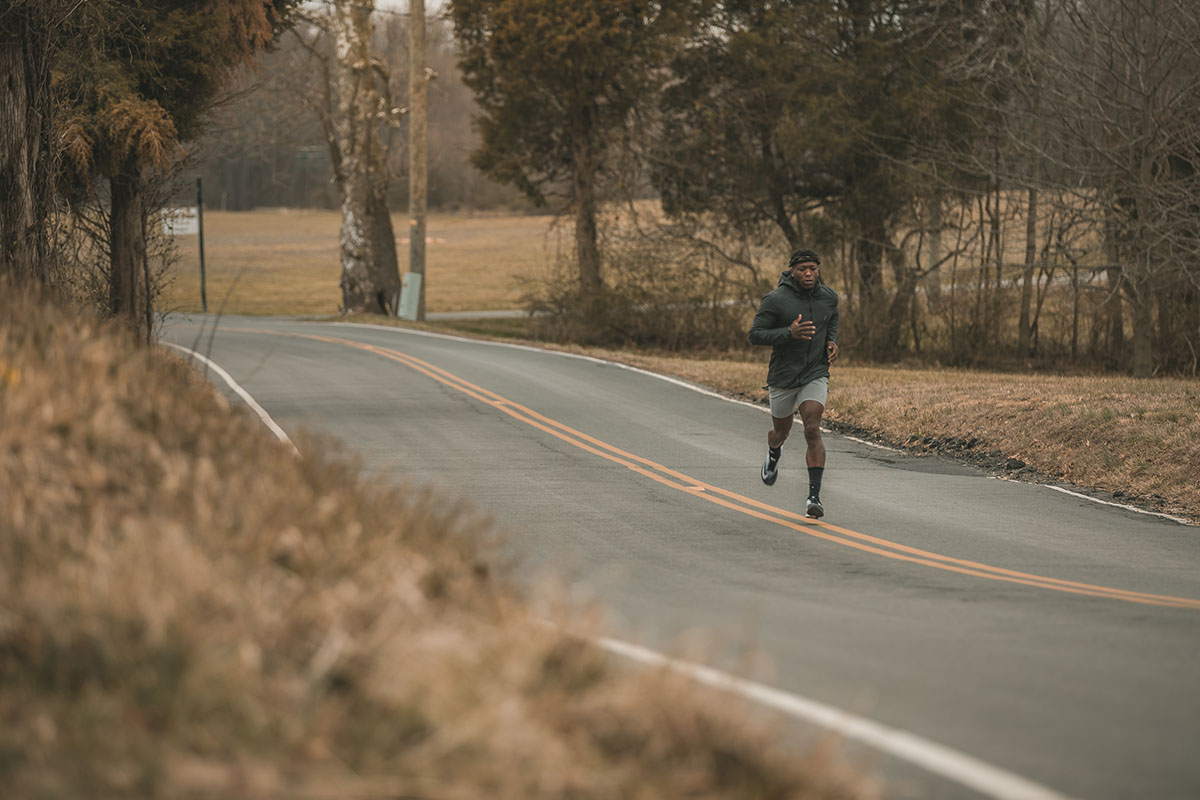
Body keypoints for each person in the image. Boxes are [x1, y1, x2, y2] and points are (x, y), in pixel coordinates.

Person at [748, 248, 839, 518]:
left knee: (812, 427)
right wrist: (789, 332)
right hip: (784, 376)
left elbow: (831, 317)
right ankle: (774, 451)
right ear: (792, 271)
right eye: (802, 269)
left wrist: (832, 341)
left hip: (815, 372)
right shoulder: (776, 300)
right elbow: (755, 335)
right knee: (781, 432)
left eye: (813, 268)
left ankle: (814, 497)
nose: (808, 273)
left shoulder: (828, 297)